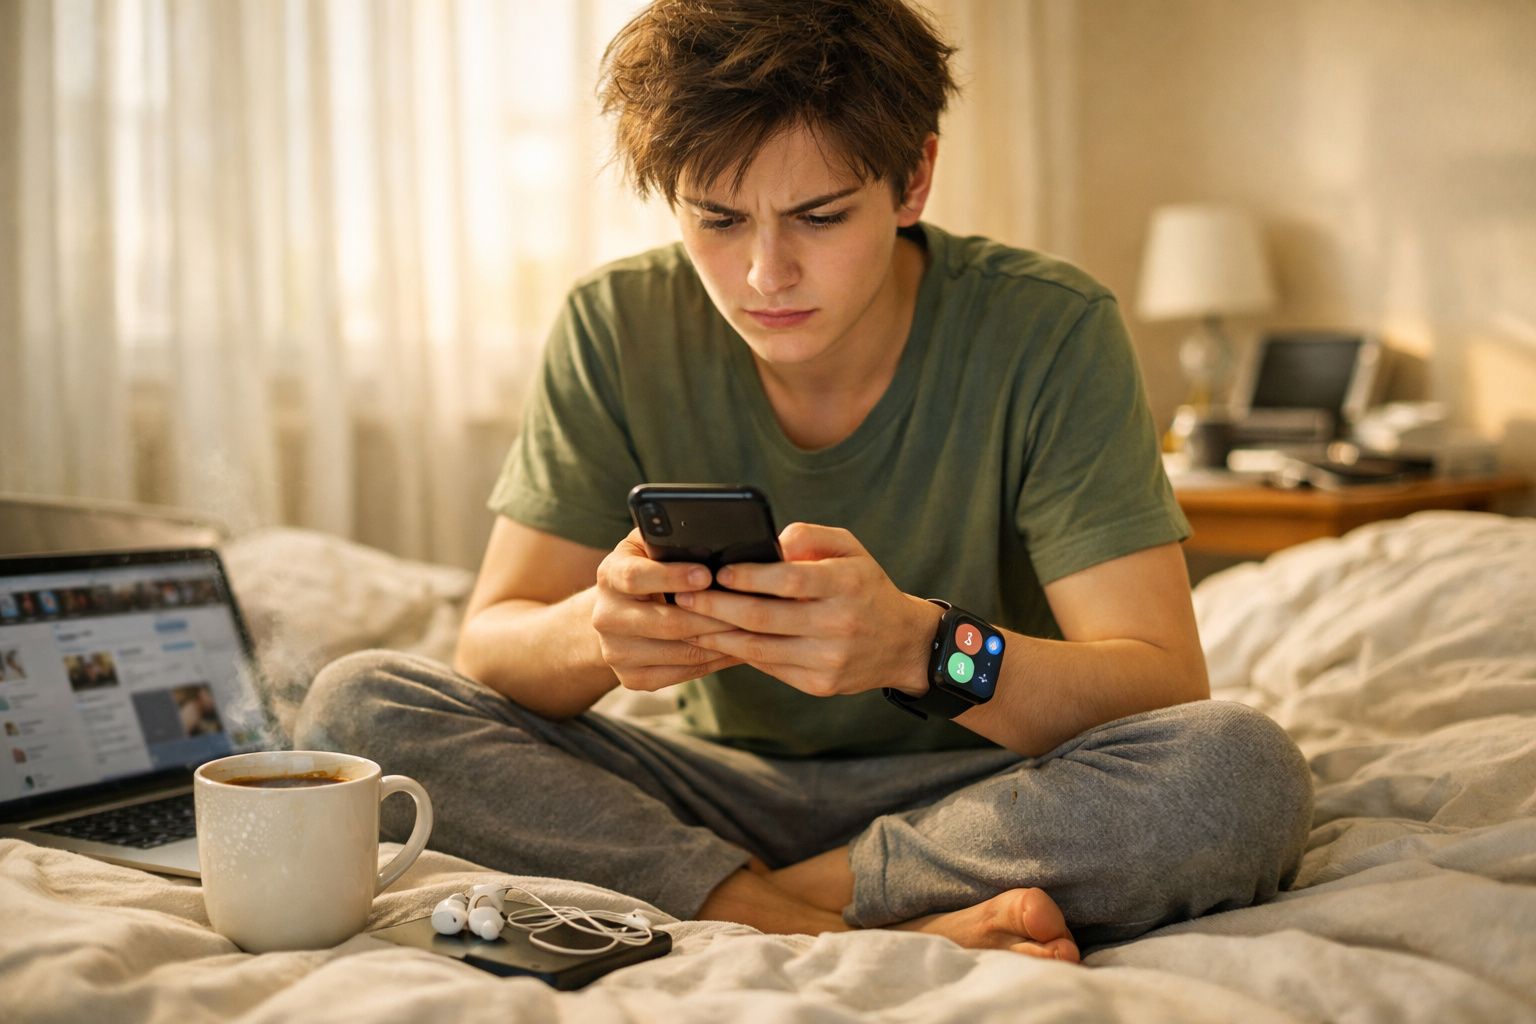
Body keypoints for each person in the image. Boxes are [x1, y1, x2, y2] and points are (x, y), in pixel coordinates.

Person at [296, 0, 1311, 961]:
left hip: (990, 790)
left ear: (912, 182)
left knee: (1237, 770)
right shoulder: (616, 325)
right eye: (719, 220)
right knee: (357, 707)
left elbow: (1163, 686)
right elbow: (493, 638)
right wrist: (594, 633)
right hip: (711, 788)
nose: (763, 276)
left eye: (819, 218)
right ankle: (812, 917)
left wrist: (919, 647)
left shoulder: (1049, 329)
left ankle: (772, 897)